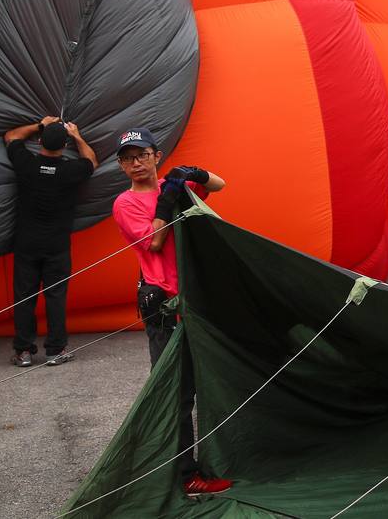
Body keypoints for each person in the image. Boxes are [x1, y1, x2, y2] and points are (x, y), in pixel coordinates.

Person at [111, 127, 232, 498]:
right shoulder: (125, 204)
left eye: (142, 154)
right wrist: (166, 202)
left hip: (195, 300)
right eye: (128, 158)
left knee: (206, 383)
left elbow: (221, 184)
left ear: (156, 155)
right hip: (163, 305)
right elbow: (154, 241)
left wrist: (191, 173)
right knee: (176, 392)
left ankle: (207, 460)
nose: (136, 162)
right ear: (121, 166)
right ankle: (184, 474)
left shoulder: (174, 185)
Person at [3, 116, 97, 367]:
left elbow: (11, 136)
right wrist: (77, 135)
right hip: (57, 245)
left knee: (24, 297)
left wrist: (39, 125)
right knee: (56, 296)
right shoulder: (70, 171)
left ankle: (23, 351)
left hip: (26, 243)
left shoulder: (27, 165)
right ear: (65, 146)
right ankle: (55, 350)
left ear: (40, 141)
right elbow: (91, 161)